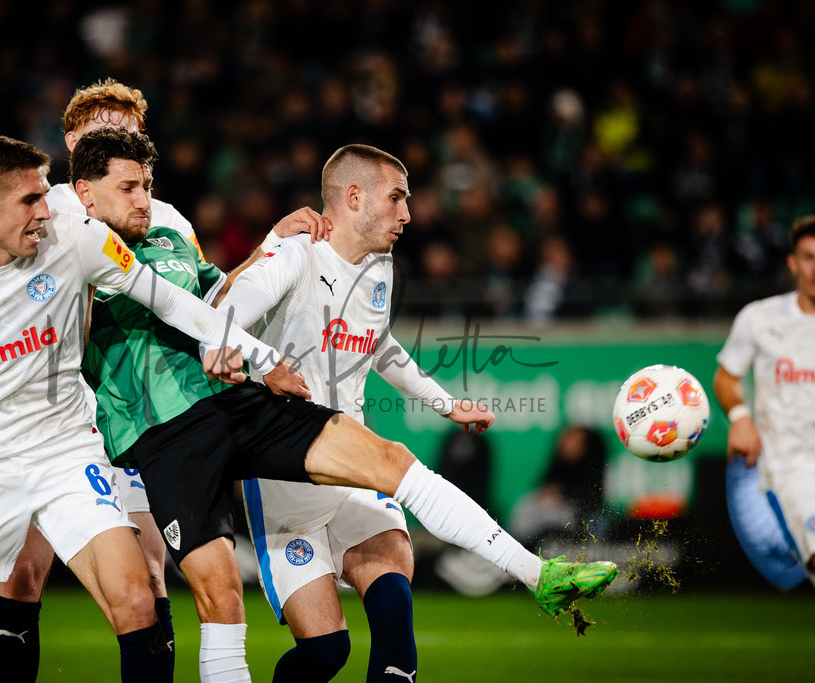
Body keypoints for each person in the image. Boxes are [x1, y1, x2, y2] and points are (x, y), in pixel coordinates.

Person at [69, 130, 619, 682]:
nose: (409, 211)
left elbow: (375, 342)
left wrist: (445, 401)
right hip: (266, 481)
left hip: (326, 442)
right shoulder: (290, 256)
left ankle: (537, 574)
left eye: (147, 185)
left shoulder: (378, 268)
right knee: (317, 648)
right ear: (354, 198)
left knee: (395, 588)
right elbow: (221, 310)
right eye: (397, 197)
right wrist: (247, 351)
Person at [0, 134, 306, 683]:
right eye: (30, 201)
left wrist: (262, 359)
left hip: (64, 453)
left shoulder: (76, 238)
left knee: (137, 601)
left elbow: (171, 299)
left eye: (44, 196)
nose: (45, 212)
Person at [0, 78, 328, 682]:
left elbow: (204, 295)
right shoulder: (43, 207)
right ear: (72, 140)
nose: (121, 137)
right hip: (53, 418)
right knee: (22, 571)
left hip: (140, 417)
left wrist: (271, 244)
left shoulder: (163, 215)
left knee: (148, 580)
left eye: (131, 131)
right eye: (105, 128)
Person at [714, 214, 815, 586]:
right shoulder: (759, 318)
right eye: (808, 257)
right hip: (792, 468)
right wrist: (740, 416)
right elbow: (726, 376)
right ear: (792, 262)